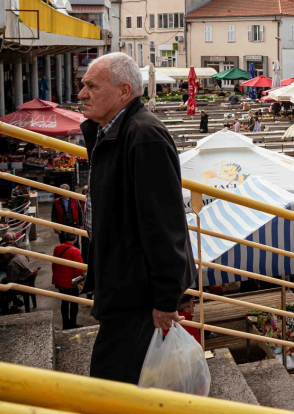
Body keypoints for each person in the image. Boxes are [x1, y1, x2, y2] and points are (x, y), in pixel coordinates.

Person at [78, 52, 195, 384]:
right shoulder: (116, 131)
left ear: (123, 91)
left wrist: (164, 299)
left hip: (137, 296)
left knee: (111, 385)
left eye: (91, 86)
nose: (81, 94)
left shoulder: (143, 136)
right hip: (123, 287)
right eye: (83, 85)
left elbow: (165, 225)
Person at [52, 233, 85, 330]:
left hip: (60, 281)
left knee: (64, 303)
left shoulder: (57, 248)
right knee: (74, 303)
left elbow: (54, 264)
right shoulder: (75, 251)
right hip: (71, 282)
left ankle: (65, 324)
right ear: (75, 239)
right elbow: (79, 270)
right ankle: (73, 323)